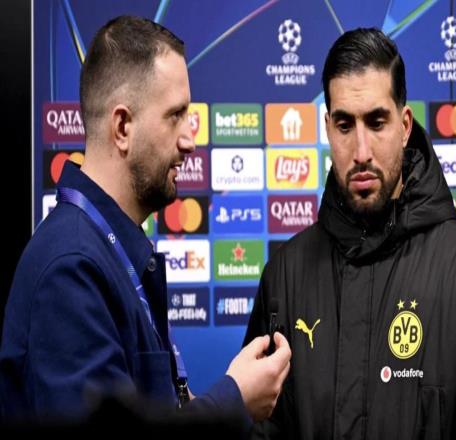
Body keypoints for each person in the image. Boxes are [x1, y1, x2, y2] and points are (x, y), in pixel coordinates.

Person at [0, 15, 291, 436]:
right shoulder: (70, 269)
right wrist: (234, 402)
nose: (190, 140)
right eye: (175, 115)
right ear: (122, 127)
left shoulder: (106, 249)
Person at [244, 27, 456, 439]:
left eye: (377, 122)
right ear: (328, 128)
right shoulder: (285, 276)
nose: (361, 152)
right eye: (345, 125)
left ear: (404, 125)